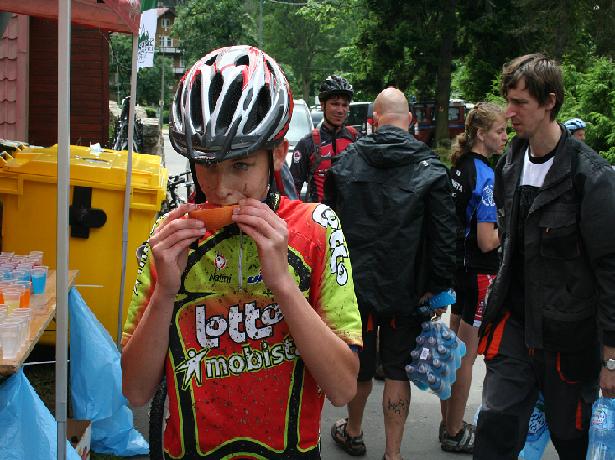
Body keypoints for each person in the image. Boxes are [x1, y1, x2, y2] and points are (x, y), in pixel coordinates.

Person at [120, 46, 362, 460]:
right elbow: (136, 391)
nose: (221, 189)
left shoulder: (318, 228)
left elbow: (342, 388)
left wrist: (284, 285)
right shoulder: (169, 236)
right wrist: (164, 294)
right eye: (207, 165)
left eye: (241, 166)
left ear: (278, 155)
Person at [475, 53, 615, 459]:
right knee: (495, 430)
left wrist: (610, 357)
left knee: (573, 441)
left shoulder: (591, 176)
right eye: (509, 101)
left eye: (520, 103)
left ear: (550, 101)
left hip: (568, 340)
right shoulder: (509, 165)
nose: (510, 112)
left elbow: (610, 269)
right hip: (515, 329)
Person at [325, 87, 456, 460]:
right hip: (408, 291)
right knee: (397, 370)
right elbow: (445, 236)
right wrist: (437, 288)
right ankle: (393, 454)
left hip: (356, 290)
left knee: (360, 365)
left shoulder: (347, 162)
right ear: (410, 121)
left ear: (373, 120)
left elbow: (329, 227)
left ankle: (352, 432)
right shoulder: (430, 167)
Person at [438, 102, 507, 453]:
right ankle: (453, 431)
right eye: (500, 131)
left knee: (454, 351)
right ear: (482, 135)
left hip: (457, 271)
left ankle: (447, 421)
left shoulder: (459, 166)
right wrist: (506, 232)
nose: (505, 138)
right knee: (466, 357)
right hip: (479, 272)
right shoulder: (486, 174)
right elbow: (486, 239)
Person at [290, 75, 359, 202]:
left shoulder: (355, 139)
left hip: (351, 216)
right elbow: (293, 188)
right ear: (322, 105)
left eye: (344, 105)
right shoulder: (307, 144)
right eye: (334, 104)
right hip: (319, 217)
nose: (340, 110)